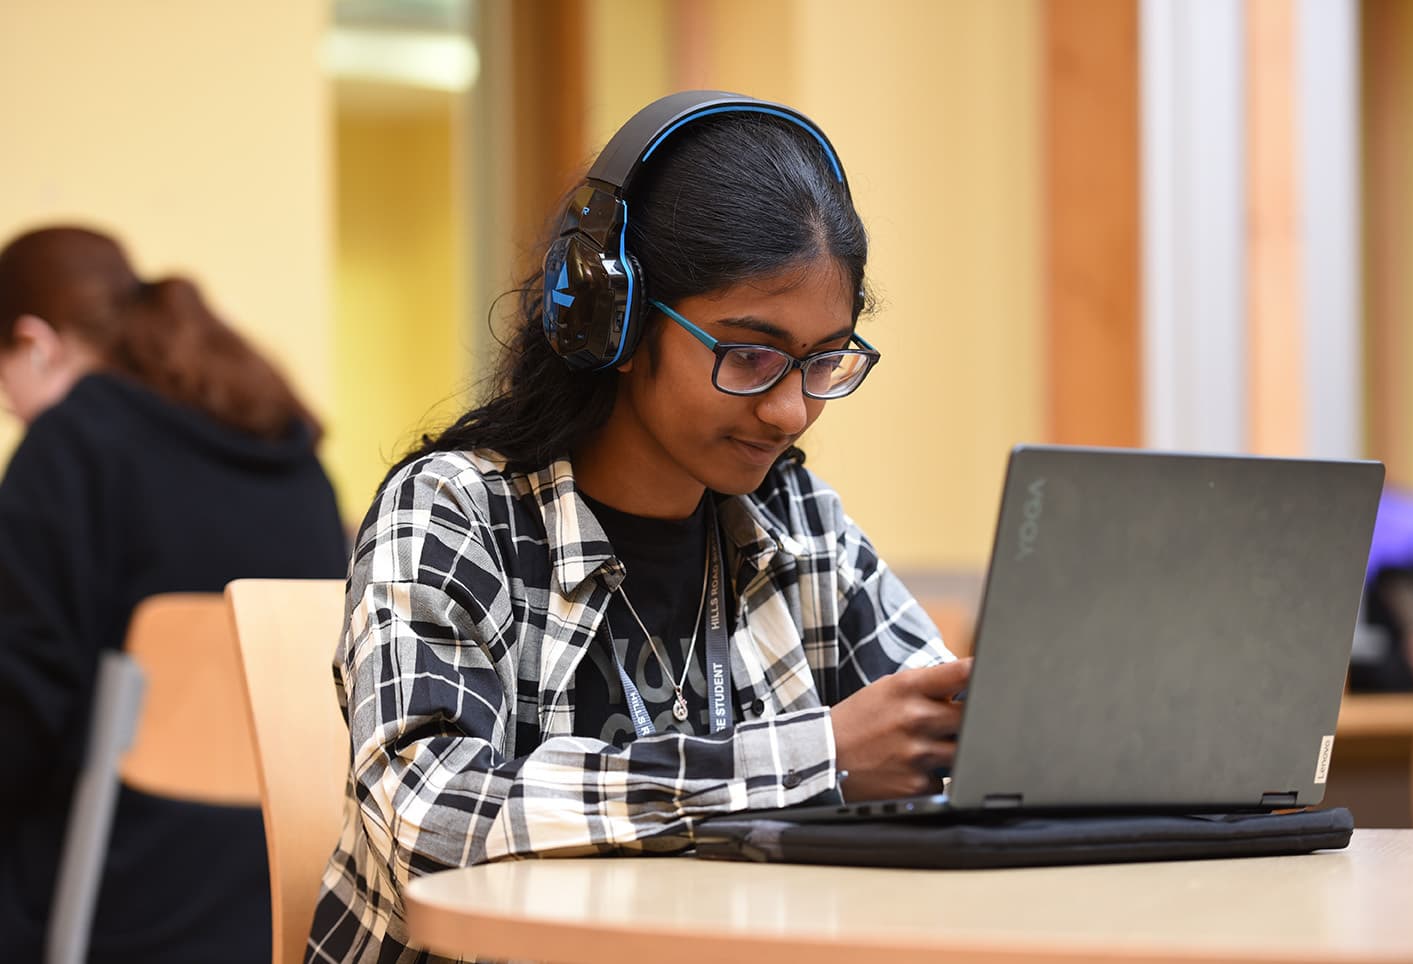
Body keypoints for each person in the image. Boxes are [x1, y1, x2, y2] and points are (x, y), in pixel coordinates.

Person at [309, 91, 971, 963]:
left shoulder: (795, 517)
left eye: (823, 361)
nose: (789, 411)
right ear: (610, 316)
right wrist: (815, 758)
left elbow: (952, 754)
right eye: (750, 354)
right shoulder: (455, 512)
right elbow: (428, 821)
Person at [0, 226, 350, 963]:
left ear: (35, 342)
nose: (10, 409)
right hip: (291, 894)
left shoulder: (69, 450)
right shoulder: (290, 453)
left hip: (108, 900)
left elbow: (20, 704)